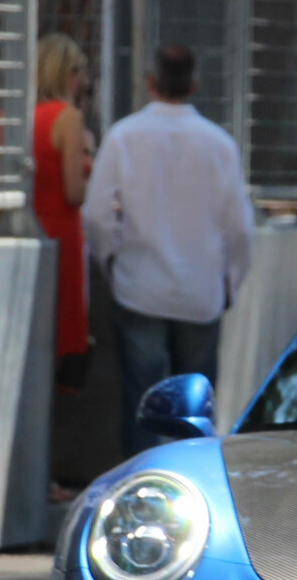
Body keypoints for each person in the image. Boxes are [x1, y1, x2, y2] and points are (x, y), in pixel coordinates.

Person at [82, 43, 256, 457]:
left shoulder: (124, 137)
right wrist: (231, 281)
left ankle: (140, 490)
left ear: (149, 83)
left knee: (142, 404)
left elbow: (95, 215)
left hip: (139, 286)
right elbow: (241, 229)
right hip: (201, 293)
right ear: (194, 84)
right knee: (194, 411)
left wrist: (111, 259)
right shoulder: (219, 144)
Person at [30, 34, 94, 390]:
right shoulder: (67, 118)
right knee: (64, 331)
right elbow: (73, 192)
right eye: (79, 71)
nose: (82, 80)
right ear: (67, 73)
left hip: (32, 225)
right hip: (63, 232)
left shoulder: (14, 113)